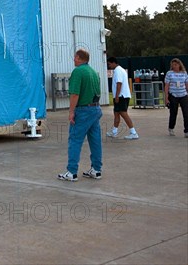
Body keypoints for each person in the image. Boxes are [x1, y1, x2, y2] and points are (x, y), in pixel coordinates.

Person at [58, 49, 103, 182]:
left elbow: (74, 94)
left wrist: (71, 111)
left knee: (75, 140)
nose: (73, 59)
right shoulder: (93, 72)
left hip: (83, 111)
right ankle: (96, 169)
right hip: (95, 109)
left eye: (74, 57)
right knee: (95, 140)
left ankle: (72, 171)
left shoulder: (78, 72)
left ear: (78, 58)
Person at [106, 57, 139, 140]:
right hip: (121, 95)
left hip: (121, 96)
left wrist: (117, 96)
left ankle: (133, 132)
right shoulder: (120, 70)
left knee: (123, 113)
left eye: (109, 64)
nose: (109, 66)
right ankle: (114, 132)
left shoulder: (118, 71)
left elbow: (119, 84)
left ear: (114, 63)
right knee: (116, 113)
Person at [164, 58, 188, 137]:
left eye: (175, 65)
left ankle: (186, 131)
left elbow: (187, 84)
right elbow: (167, 85)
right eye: (172, 65)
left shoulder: (184, 73)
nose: (174, 66)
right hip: (173, 95)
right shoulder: (169, 73)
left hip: (183, 94)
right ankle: (171, 127)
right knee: (173, 113)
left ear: (179, 65)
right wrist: (166, 97)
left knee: (186, 113)